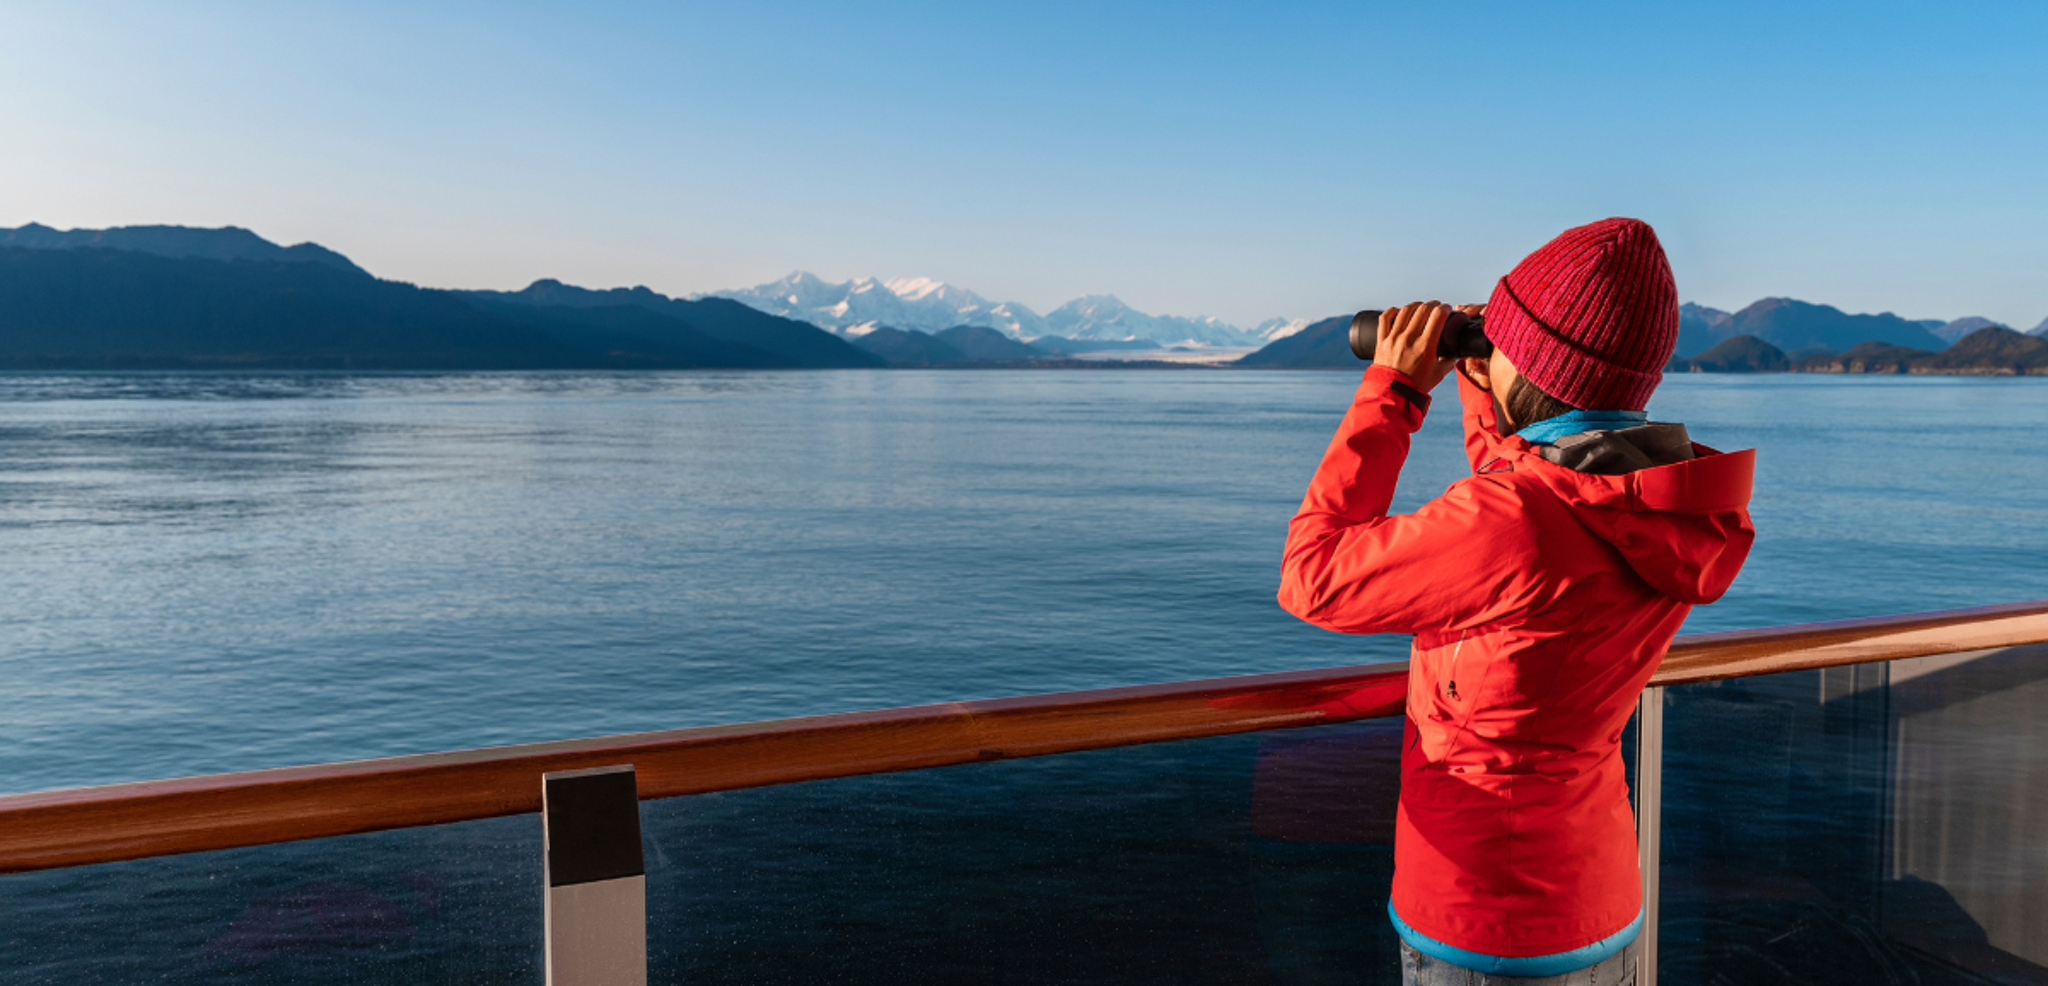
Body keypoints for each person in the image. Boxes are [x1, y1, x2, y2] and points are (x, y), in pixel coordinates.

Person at [1276, 217, 1756, 985]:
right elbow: (1528, 495)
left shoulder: (1516, 523)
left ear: (1529, 365)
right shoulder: (1658, 501)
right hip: (1597, 894)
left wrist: (1394, 393)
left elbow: (1312, 578)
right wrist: (1485, 385)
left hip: (1483, 915)